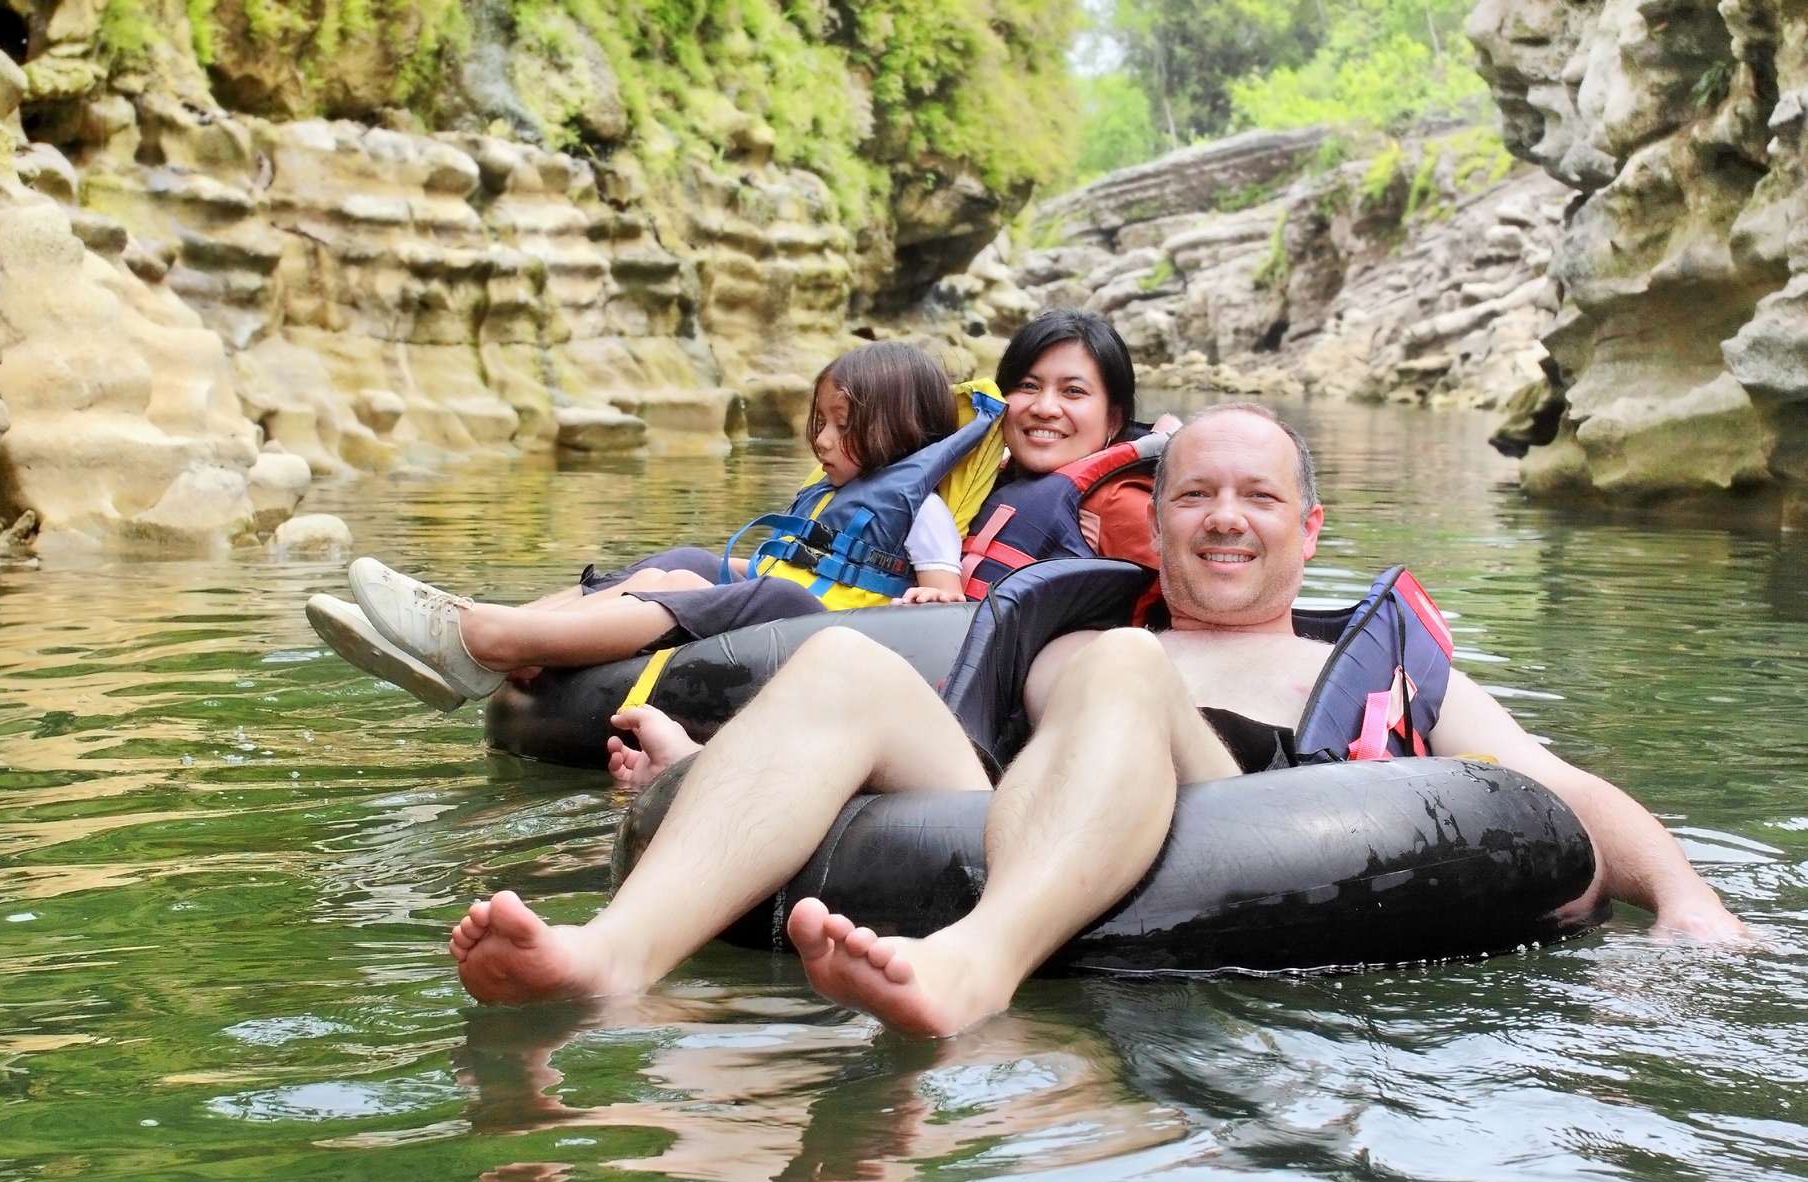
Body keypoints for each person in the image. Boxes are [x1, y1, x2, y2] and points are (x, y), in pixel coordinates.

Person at [445, 402, 1751, 1037]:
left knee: (1123, 675)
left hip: (1261, 817)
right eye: (1195, 496)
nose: (1225, 517)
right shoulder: (1086, 627)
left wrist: (1686, 902)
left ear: (1310, 532)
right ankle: (612, 958)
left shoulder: (1384, 667)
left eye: (1256, 497)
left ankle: (976, 963)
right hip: (1034, 792)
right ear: (1154, 519)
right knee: (852, 665)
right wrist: (689, 771)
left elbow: (1551, 791)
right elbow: (913, 769)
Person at [306, 311, 1162, 712]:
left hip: (930, 656)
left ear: (1114, 419)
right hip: (884, 621)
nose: (1043, 407)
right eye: (1027, 386)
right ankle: (482, 634)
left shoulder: (1107, 503)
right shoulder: (981, 477)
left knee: (769, 598)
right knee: (690, 558)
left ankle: (488, 643)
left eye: (1073, 393)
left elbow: (1143, 614)